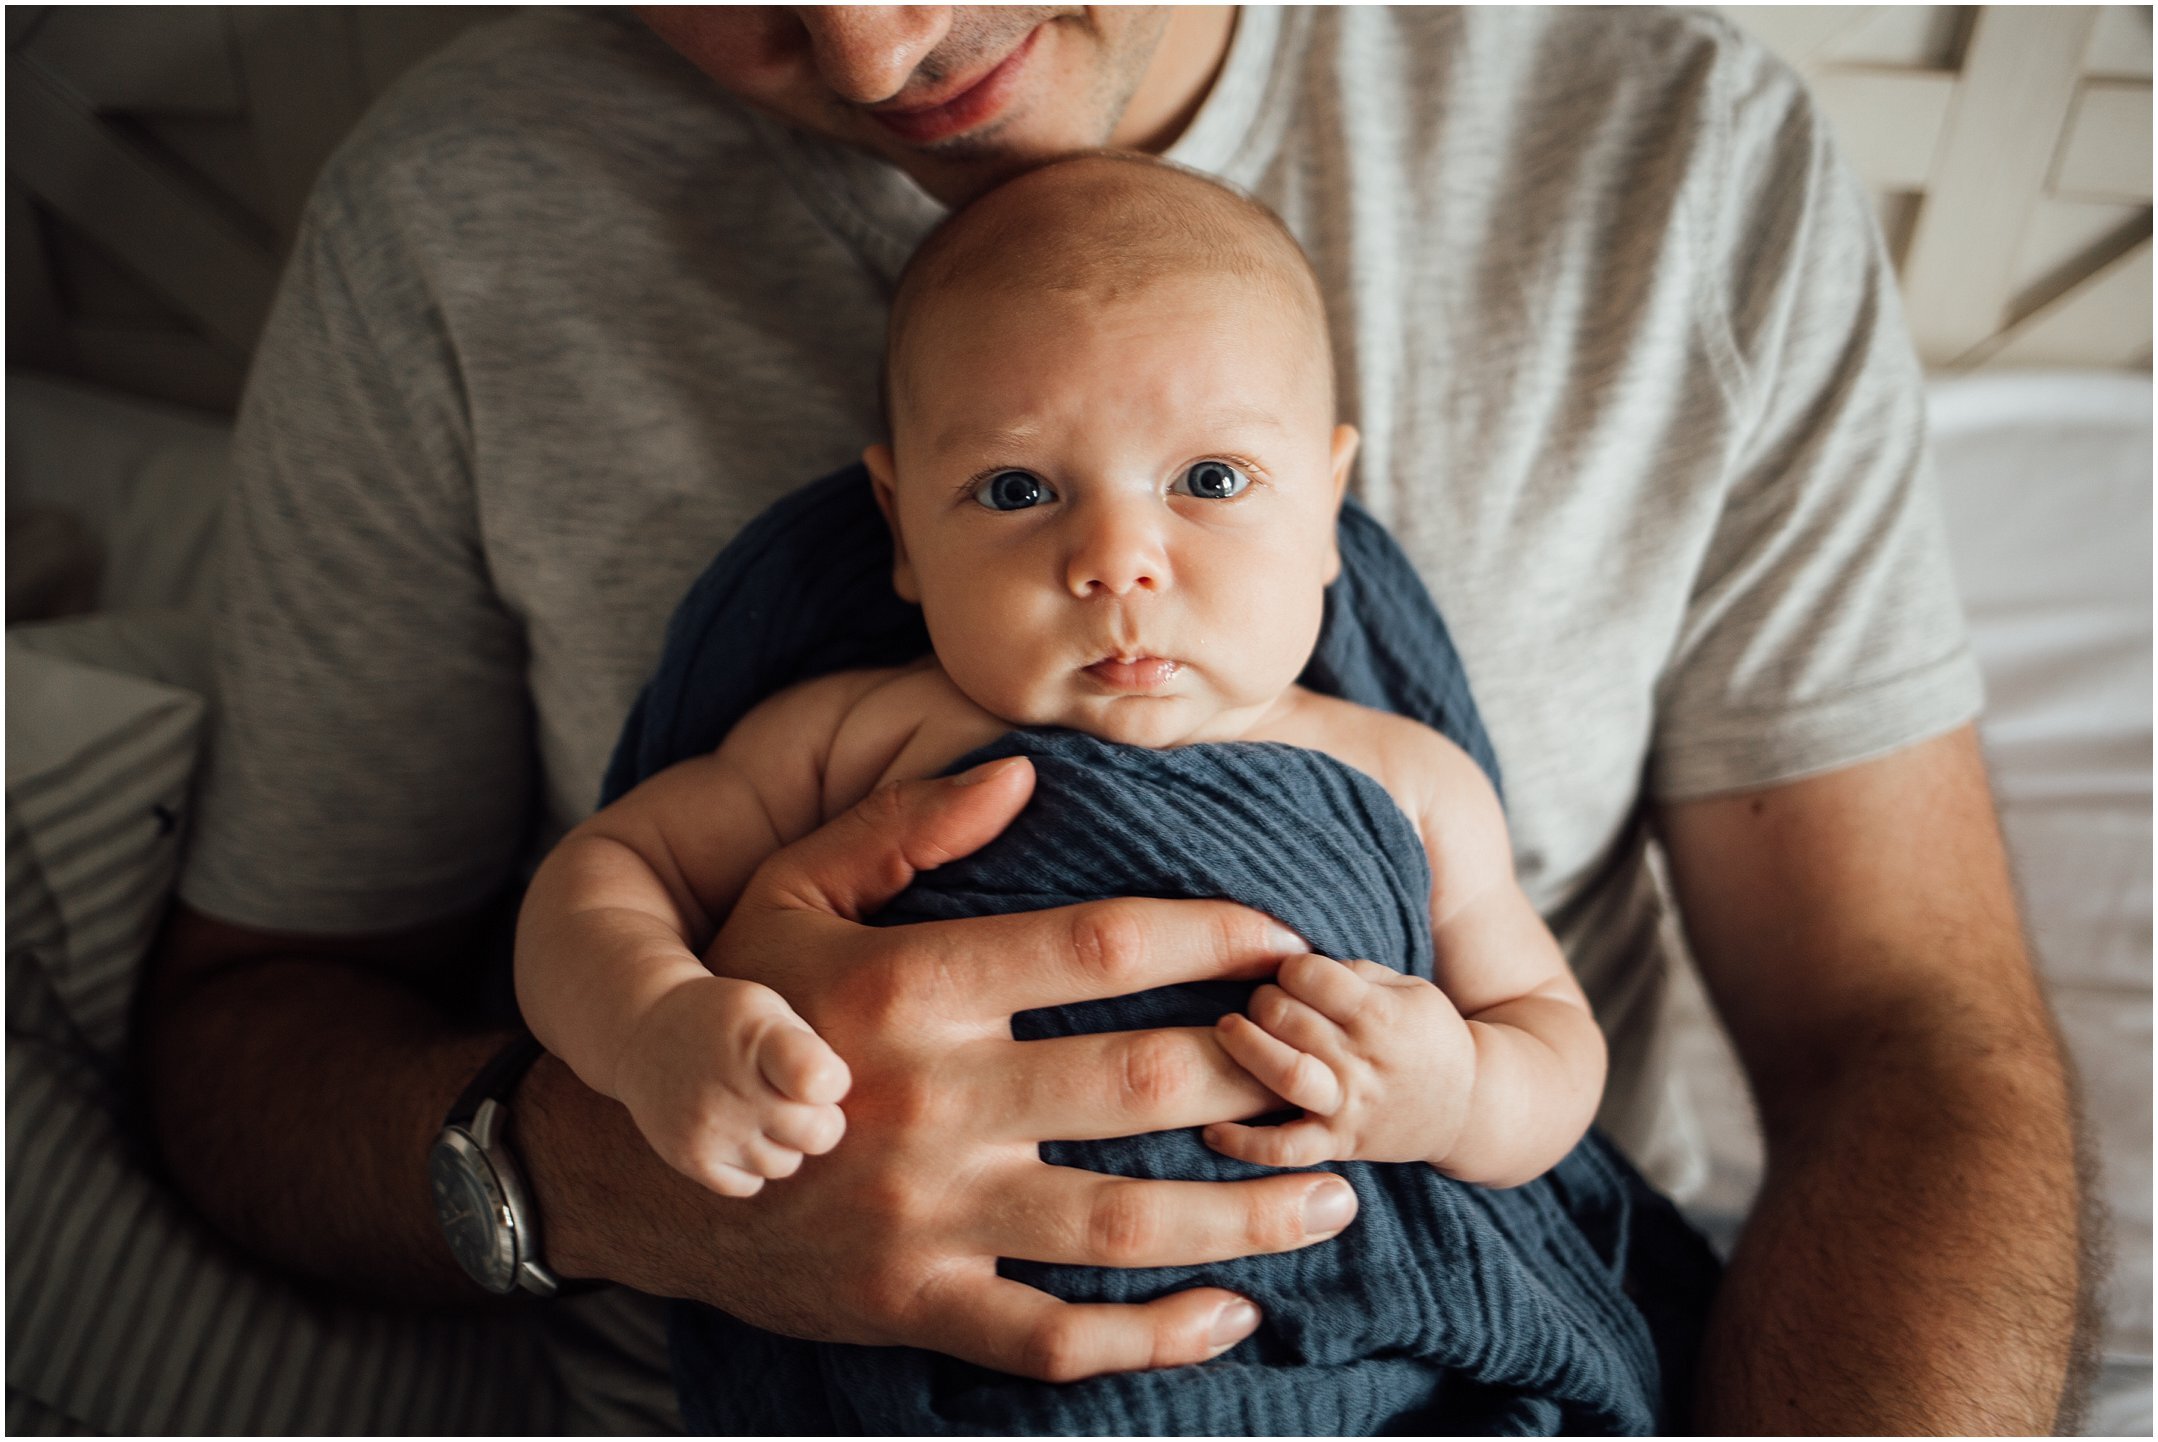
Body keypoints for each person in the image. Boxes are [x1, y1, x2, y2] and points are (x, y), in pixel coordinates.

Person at [141, 6, 2087, 1433]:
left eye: (1213, 492)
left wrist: (1445, 1092)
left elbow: (1753, 1045)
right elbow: (572, 895)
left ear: (1334, 497)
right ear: (892, 526)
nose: (871, 36)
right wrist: (629, 1115)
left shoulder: (1662, 170)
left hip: (1394, 1337)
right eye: (1012, 497)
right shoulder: (828, 699)